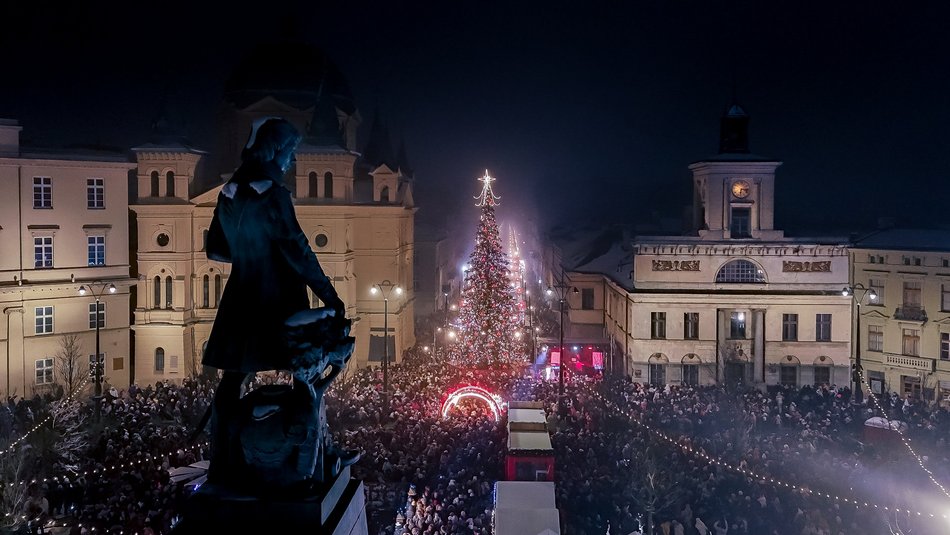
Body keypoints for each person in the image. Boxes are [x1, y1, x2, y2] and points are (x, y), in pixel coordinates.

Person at [202, 117, 345, 483]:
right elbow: (298, 250)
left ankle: (221, 465)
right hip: (279, 297)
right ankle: (307, 467)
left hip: (240, 299)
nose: (291, 160)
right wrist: (330, 295)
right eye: (290, 151)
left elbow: (215, 249)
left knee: (231, 382)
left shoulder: (228, 193)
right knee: (304, 376)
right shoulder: (274, 194)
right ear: (276, 150)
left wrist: (248, 248)